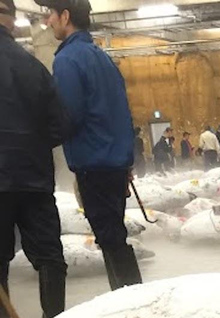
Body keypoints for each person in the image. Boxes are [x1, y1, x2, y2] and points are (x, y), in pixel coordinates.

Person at [36, 0, 141, 291]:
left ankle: (130, 302)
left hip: (94, 164)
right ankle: (131, 298)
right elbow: (122, 112)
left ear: (65, 16)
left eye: (50, 15)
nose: (47, 21)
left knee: (110, 239)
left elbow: (69, 117)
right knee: (114, 236)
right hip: (114, 164)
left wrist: (38, 140)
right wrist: (126, 160)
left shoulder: (68, 59)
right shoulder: (101, 56)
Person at [0, 0, 68, 318]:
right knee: (50, 257)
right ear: (12, 21)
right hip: (35, 180)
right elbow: (59, 126)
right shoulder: (33, 66)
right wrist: (33, 147)